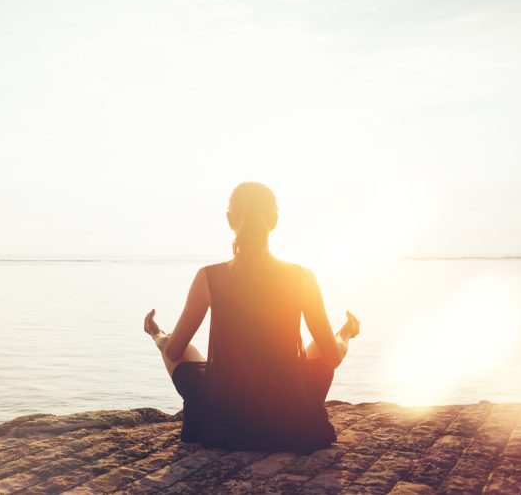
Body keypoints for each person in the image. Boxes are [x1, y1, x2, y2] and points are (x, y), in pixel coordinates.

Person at [143, 181, 360, 453]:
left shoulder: (208, 277)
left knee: (177, 342)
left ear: (230, 220)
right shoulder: (303, 278)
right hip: (290, 419)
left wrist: (156, 334)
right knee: (321, 346)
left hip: (224, 421)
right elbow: (333, 356)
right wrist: (345, 334)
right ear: (275, 221)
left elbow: (175, 352)